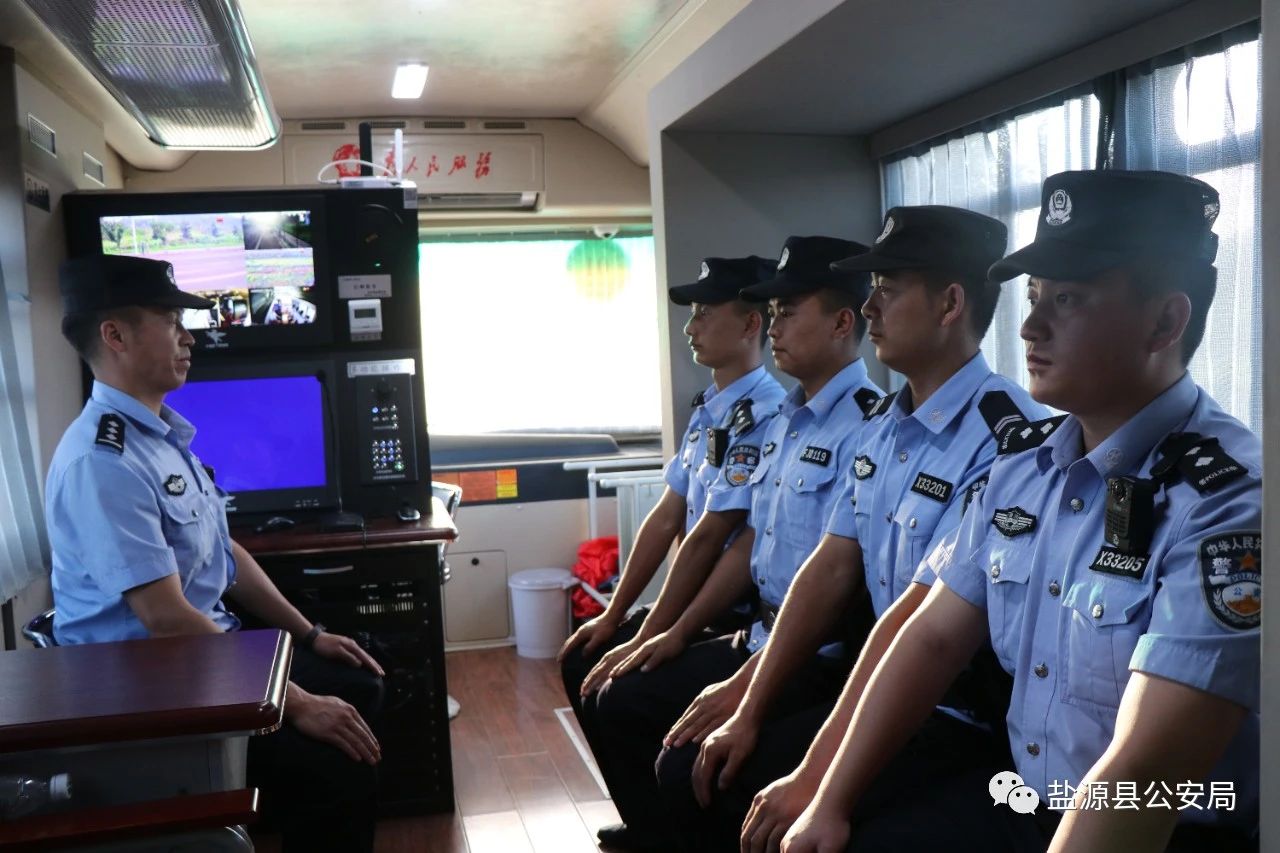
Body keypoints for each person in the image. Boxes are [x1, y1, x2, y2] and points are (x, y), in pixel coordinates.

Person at [783, 170, 1259, 853]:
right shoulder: (1022, 466)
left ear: (1165, 321)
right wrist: (828, 799)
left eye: (1068, 298)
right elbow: (931, 637)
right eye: (1034, 297)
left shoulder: (1226, 503)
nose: (1031, 325)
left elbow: (1147, 768)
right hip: (1024, 799)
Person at [659, 206, 1047, 851]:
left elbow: (929, 624)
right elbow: (832, 563)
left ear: (950, 303)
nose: (869, 310)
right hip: (873, 681)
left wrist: (818, 777)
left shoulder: (1009, 439)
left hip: (960, 711)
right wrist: (749, 700)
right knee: (701, 764)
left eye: (887, 291)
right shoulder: (882, 428)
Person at [46, 254, 385, 853]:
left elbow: (224, 553)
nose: (188, 335)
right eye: (171, 319)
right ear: (115, 335)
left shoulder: (161, 436)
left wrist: (309, 637)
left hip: (202, 655)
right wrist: (290, 701)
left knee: (359, 676)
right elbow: (166, 618)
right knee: (332, 760)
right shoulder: (103, 462)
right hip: (148, 687)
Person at [588, 235, 884, 850]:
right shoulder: (787, 419)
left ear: (840, 322)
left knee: (681, 757)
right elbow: (748, 542)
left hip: (821, 654)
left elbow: (838, 582)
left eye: (787, 313)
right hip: (763, 634)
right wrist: (661, 631)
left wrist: (739, 683)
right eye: (771, 315)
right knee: (624, 701)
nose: (775, 328)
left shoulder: (868, 424)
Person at [556, 254, 786, 848]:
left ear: (751, 324)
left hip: (731, 613)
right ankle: (646, 821)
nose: (691, 326)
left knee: (621, 693)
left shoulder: (766, 414)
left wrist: (657, 632)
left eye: (705, 313)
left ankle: (665, 828)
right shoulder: (709, 409)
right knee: (581, 657)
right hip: (692, 608)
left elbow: (715, 534)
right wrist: (615, 615)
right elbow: (668, 516)